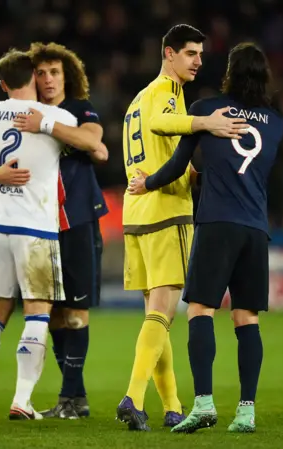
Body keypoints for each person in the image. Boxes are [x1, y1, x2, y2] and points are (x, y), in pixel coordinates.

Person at [129, 41, 283, 434]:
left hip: (216, 223)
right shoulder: (276, 122)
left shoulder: (205, 110)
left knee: (200, 310)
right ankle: (246, 411)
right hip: (255, 226)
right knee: (246, 317)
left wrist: (146, 183)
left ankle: (202, 405)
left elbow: (179, 164)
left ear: (229, 71)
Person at [117, 24, 250, 432]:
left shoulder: (135, 100)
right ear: (168, 53)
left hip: (135, 213)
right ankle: (133, 398)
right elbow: (163, 122)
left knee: (156, 316)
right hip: (165, 211)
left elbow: (156, 141)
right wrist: (206, 123)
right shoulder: (164, 94)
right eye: (190, 53)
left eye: (200, 54)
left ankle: (173, 405)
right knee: (163, 311)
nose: (197, 61)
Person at [0, 41, 108, 419]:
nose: (48, 79)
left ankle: (73, 396)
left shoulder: (76, 110)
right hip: (38, 224)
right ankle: (73, 397)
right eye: (41, 73)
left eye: (55, 72)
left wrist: (47, 125)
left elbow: (94, 143)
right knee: (52, 314)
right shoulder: (19, 115)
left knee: (76, 312)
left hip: (76, 219)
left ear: (67, 75)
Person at [0, 49, 76, 419]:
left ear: (2, 83)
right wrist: (47, 124)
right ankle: (21, 400)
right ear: (35, 80)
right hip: (36, 227)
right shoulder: (56, 116)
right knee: (38, 313)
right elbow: (88, 142)